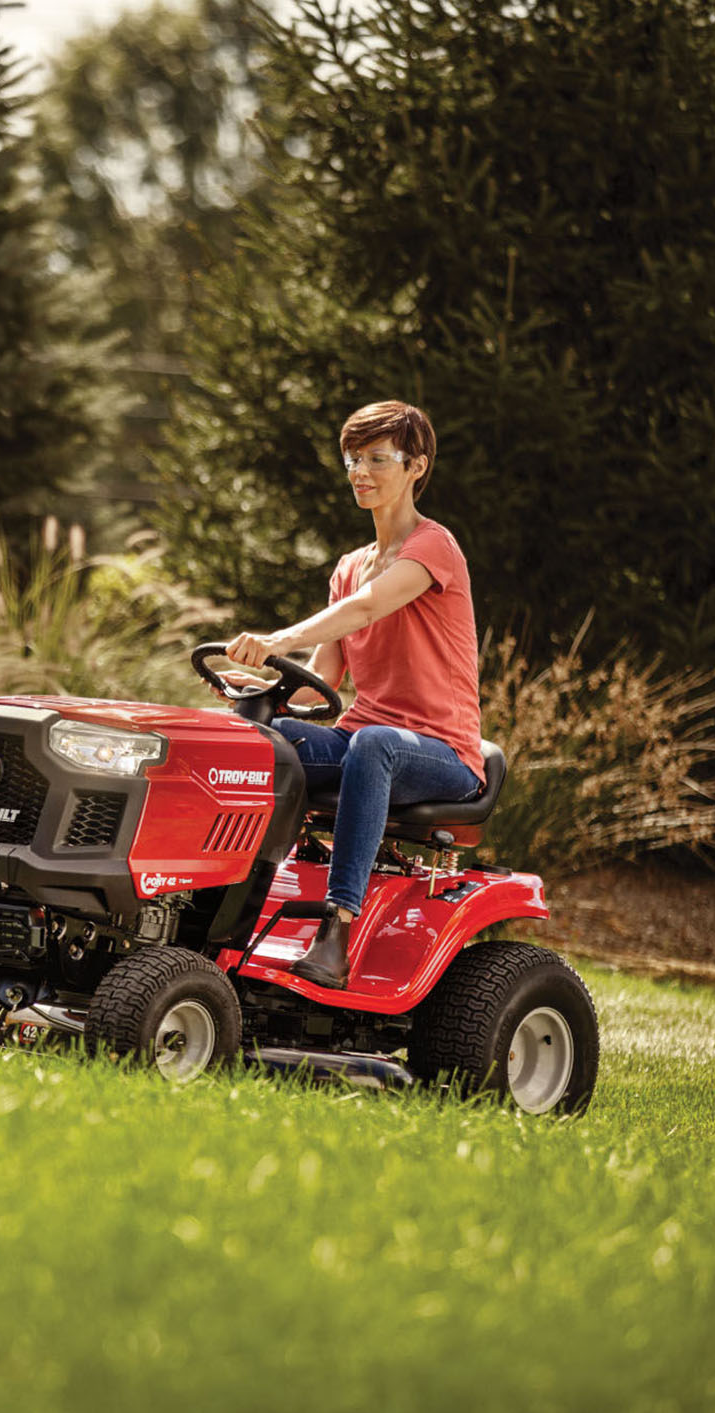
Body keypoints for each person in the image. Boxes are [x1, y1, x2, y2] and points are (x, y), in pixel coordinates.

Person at [217, 400, 484, 989]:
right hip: (361, 736)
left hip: (442, 754)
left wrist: (274, 637)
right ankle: (219, 907)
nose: (360, 472)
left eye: (377, 459)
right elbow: (324, 684)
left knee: (375, 746)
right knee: (254, 741)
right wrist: (262, 697)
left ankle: (335, 930)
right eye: (353, 459)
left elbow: (366, 608)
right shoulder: (347, 568)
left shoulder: (433, 548)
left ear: (416, 466)